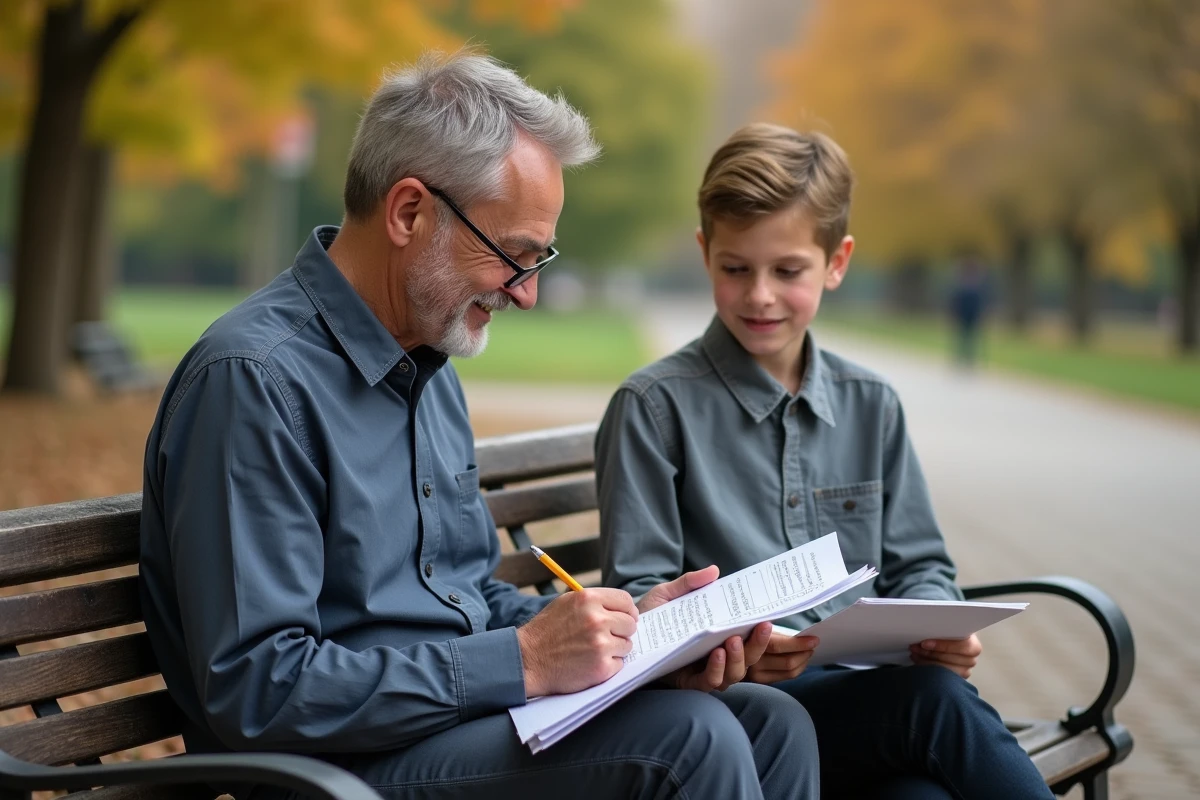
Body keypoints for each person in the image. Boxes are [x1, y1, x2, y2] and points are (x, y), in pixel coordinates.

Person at [138, 52, 821, 800]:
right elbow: (258, 691)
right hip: (331, 775)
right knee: (692, 741)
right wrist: (525, 660)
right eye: (512, 256)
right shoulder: (253, 382)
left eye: (539, 260)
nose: (526, 295)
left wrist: (629, 640)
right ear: (408, 213)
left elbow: (462, 599)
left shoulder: (426, 364)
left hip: (444, 732)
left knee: (768, 722)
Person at [596, 123, 1054, 800]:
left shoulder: (873, 404)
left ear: (836, 262)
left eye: (787, 271)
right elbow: (642, 599)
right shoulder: (653, 408)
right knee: (932, 704)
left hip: (862, 711)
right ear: (704, 253)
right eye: (736, 268)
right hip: (740, 719)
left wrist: (940, 625)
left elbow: (922, 564)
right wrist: (737, 650)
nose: (759, 296)